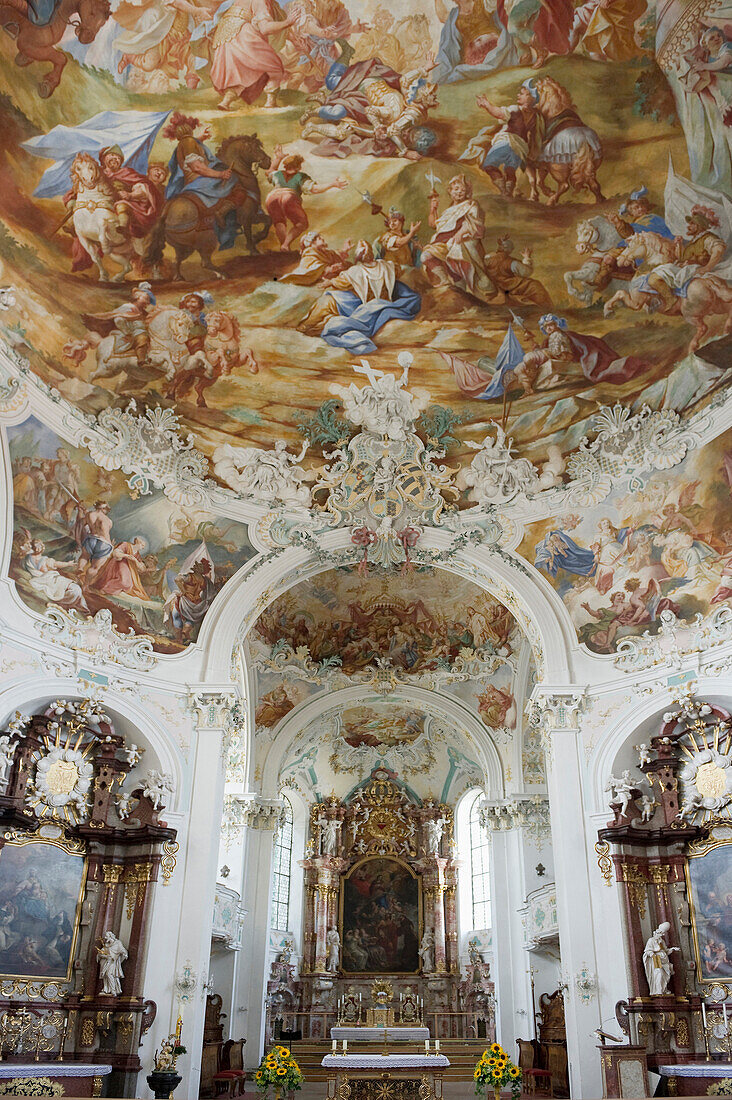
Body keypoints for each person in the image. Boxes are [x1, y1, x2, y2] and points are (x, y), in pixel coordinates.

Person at [299, 239, 421, 353]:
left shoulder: (356, 270)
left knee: (329, 299)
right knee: (332, 302)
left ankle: (306, 326)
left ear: (359, 255)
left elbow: (342, 281)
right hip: (374, 303)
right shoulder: (387, 266)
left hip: (363, 306)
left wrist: (329, 282)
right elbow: (398, 271)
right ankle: (312, 326)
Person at [164, 113, 246, 251]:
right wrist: (220, 174)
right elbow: (197, 167)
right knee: (236, 184)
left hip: (194, 181)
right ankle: (223, 216)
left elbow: (192, 152)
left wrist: (201, 138)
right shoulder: (189, 142)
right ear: (189, 130)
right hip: (200, 182)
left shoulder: (185, 143)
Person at [511, 314, 648, 394]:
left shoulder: (559, 335)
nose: (549, 328)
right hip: (556, 355)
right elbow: (549, 349)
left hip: (564, 355)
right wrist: (538, 348)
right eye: (546, 327)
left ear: (557, 324)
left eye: (551, 325)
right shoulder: (550, 338)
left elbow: (563, 349)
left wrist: (556, 354)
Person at [421, 174, 496, 302]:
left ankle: (461, 289)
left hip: (458, 241)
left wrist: (461, 233)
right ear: (450, 191)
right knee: (426, 256)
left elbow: (475, 223)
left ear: (467, 192)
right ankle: (445, 280)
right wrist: (433, 209)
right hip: (443, 241)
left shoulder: (470, 204)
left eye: (462, 190)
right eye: (456, 189)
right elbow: (434, 225)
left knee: (453, 263)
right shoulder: (449, 210)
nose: (459, 192)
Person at [209, 0, 295, 110]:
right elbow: (265, 28)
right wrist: (287, 22)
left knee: (237, 73)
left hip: (223, 40)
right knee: (274, 66)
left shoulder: (237, 2)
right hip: (243, 36)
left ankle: (225, 102)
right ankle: (270, 102)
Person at [463, 80, 542, 199]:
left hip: (506, 142)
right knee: (510, 170)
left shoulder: (515, 109)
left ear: (530, 97)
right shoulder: (536, 117)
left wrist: (486, 104)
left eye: (522, 93)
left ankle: (504, 191)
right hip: (521, 149)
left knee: (489, 165)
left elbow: (499, 114)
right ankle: (508, 192)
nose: (518, 95)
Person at [644, 204, 726, 311]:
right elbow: (681, 258)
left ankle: (670, 299)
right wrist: (679, 245)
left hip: (693, 269)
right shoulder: (693, 241)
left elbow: (719, 249)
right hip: (684, 267)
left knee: (654, 278)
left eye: (692, 224)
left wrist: (707, 267)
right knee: (656, 272)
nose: (688, 226)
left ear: (699, 226)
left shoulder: (707, 238)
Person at [265, 147, 347, 250]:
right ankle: (285, 245)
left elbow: (269, 171)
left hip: (272, 197)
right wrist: (333, 184)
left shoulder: (277, 174)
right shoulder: (300, 176)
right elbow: (315, 189)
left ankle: (284, 248)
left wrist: (278, 158)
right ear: (298, 166)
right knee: (302, 224)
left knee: (279, 222)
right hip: (289, 196)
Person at [19, 536, 90, 614]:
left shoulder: (28, 559)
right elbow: (57, 564)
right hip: (50, 579)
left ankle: (74, 603)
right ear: (40, 549)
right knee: (75, 589)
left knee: (73, 589)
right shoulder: (45, 560)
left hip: (43, 579)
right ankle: (72, 604)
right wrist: (68, 564)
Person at [484, 235, 550, 305]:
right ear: (509, 250)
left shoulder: (488, 257)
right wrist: (527, 258)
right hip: (507, 285)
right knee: (535, 285)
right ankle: (544, 308)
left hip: (494, 284)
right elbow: (526, 272)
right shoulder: (511, 262)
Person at [280, 231, 352, 284]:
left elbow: (335, 255)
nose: (323, 239)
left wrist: (345, 249)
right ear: (312, 242)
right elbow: (312, 269)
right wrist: (329, 269)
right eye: (320, 238)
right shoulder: (309, 254)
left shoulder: (324, 252)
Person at [643, 922, 679, 995]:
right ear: (656, 933)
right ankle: (658, 990)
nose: (662, 935)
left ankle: (664, 989)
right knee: (659, 973)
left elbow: (665, 951)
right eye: (661, 934)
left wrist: (672, 949)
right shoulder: (651, 940)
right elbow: (647, 950)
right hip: (657, 960)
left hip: (664, 961)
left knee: (666, 974)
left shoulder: (661, 941)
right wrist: (653, 955)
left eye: (663, 934)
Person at [97, 930, 128, 996]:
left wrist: (124, 953)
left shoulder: (117, 943)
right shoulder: (106, 945)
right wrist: (105, 956)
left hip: (113, 962)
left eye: (106, 936)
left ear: (110, 936)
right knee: (105, 975)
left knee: (109, 974)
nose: (105, 938)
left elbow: (122, 949)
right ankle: (106, 989)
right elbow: (100, 954)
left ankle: (113, 990)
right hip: (105, 962)